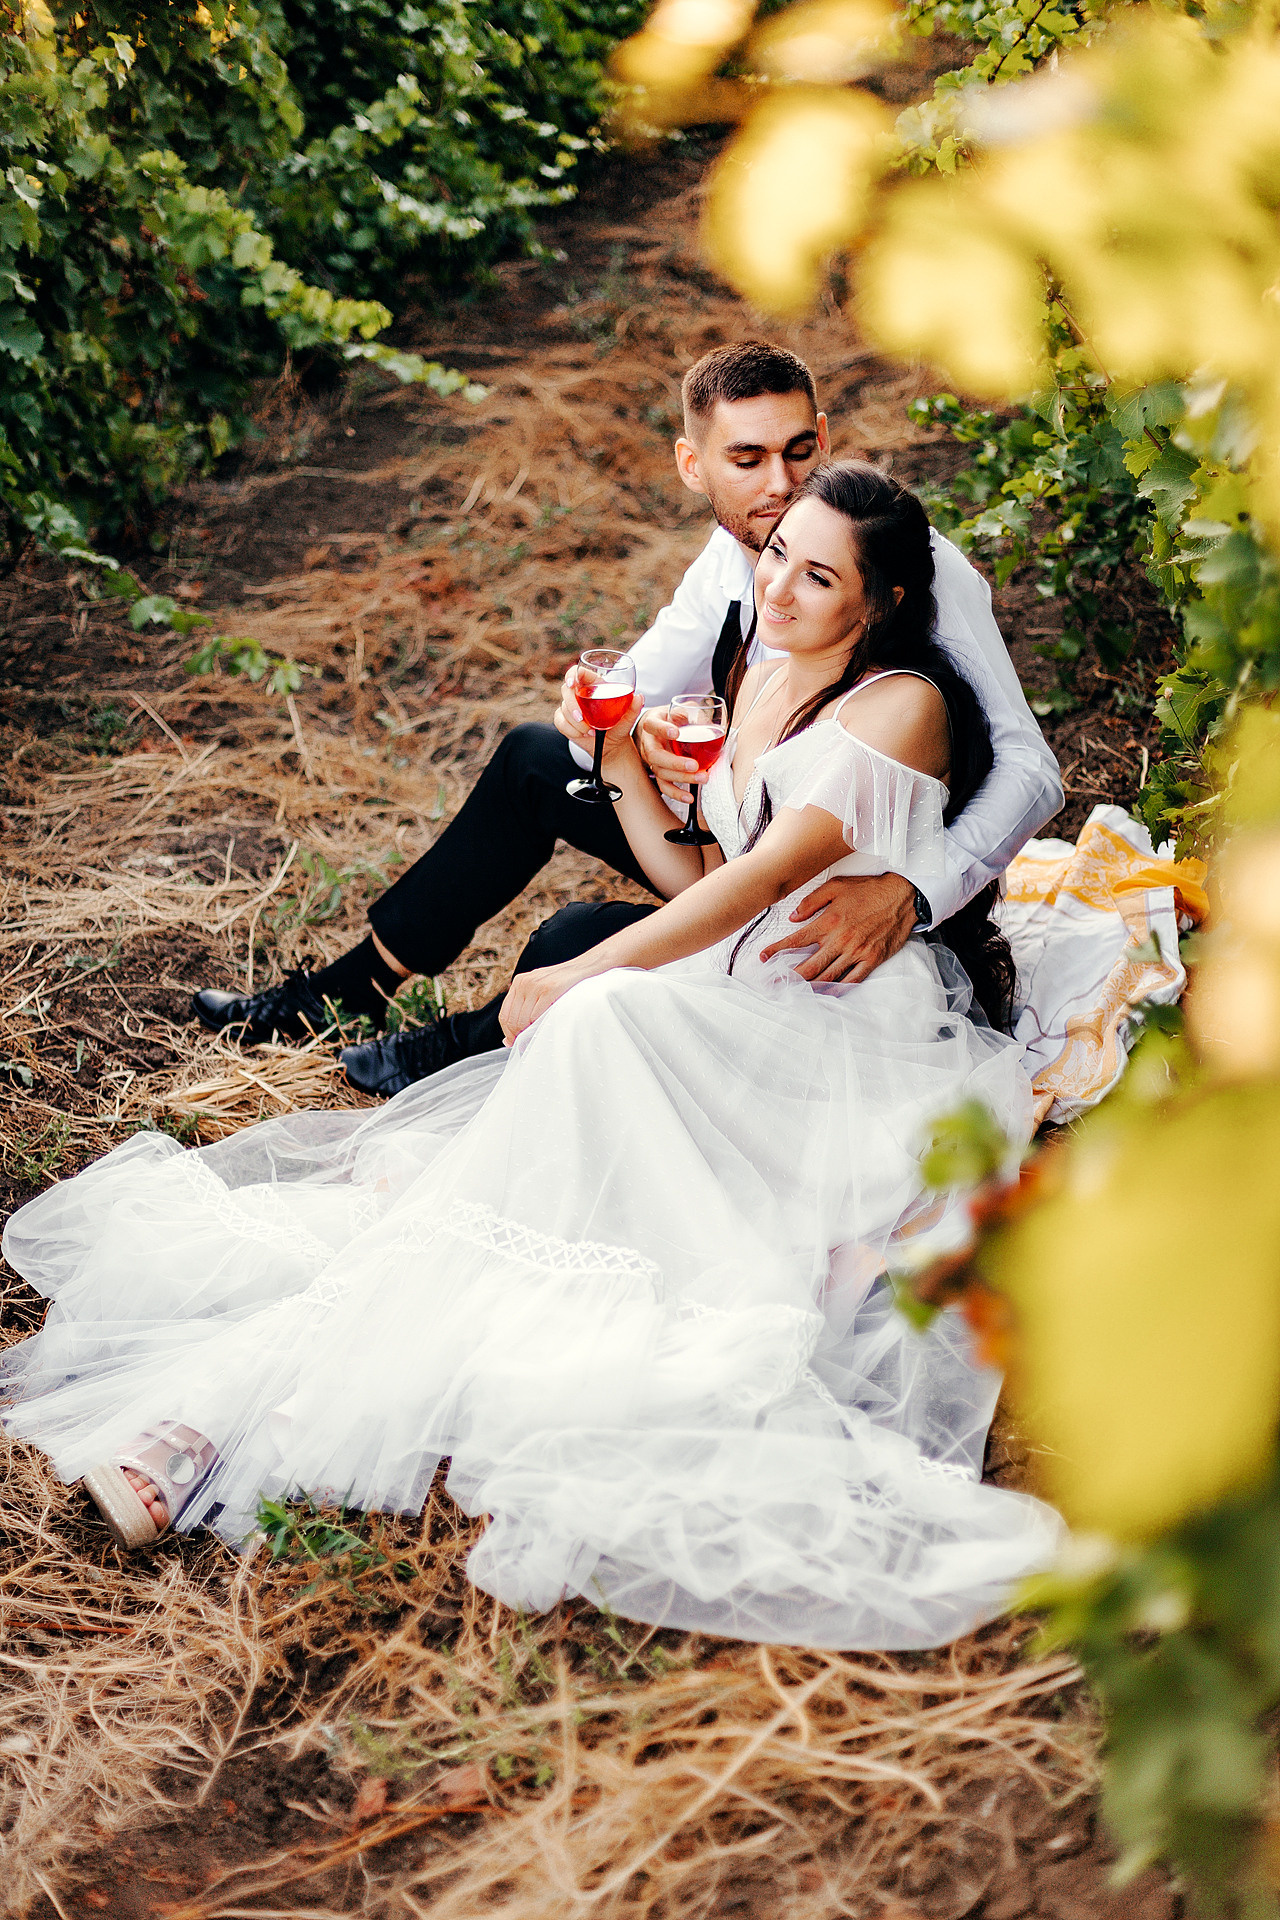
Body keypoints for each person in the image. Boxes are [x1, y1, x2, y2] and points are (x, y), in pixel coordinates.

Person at [2, 464, 1062, 1652]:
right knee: (547, 1121)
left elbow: (764, 888)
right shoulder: (761, 666)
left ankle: (235, 1420)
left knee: (595, 1017)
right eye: (776, 559)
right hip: (736, 986)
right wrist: (611, 758)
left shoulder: (898, 703)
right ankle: (239, 1412)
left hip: (837, 1021)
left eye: (818, 577)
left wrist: (583, 973)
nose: (778, 587)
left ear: (881, 601)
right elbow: (700, 875)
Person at [188, 340, 1063, 1098]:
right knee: (536, 757)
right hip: (750, 836)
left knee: (577, 939)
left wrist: (910, 892)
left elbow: (1030, 767)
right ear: (696, 467)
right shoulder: (738, 559)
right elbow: (621, 693)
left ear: (824, 439)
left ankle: (460, 1046)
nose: (782, 484)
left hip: (859, 873)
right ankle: (351, 988)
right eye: (747, 459)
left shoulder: (912, 567)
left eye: (799, 452)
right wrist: (613, 727)